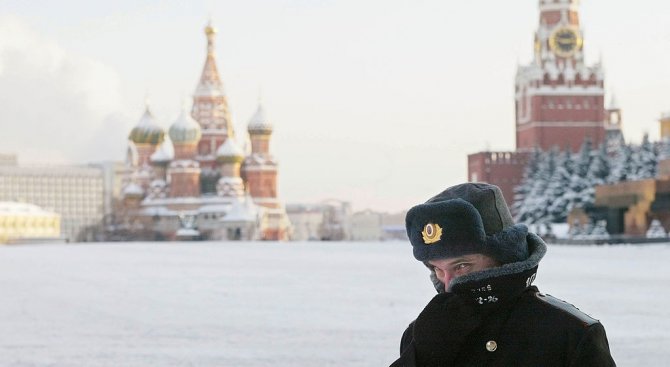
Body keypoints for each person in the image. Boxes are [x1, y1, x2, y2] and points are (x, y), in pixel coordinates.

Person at [389, 183, 616, 367]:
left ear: (504, 257)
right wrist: (420, 358)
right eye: (437, 269)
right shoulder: (422, 333)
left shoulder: (569, 334)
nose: (448, 285)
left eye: (462, 266)